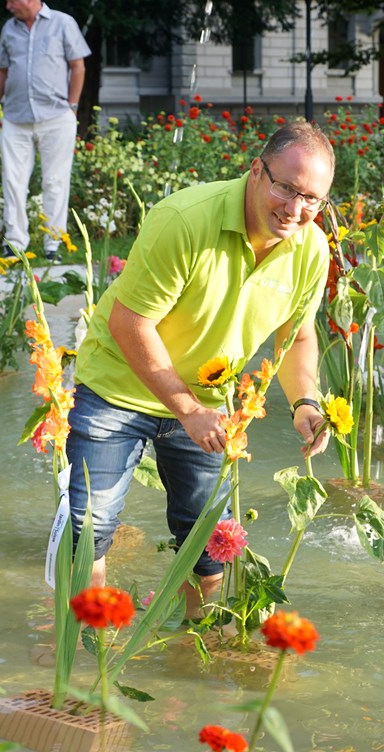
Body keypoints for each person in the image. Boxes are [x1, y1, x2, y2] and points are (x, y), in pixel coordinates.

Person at [66, 121, 334, 613]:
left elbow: (297, 336)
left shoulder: (312, 250)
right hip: (118, 387)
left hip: (207, 406)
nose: (295, 209)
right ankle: (80, 645)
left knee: (211, 545)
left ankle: (190, 644)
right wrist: (186, 409)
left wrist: (304, 402)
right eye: (286, 188)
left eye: (312, 199)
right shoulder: (185, 220)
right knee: (90, 531)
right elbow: (130, 323)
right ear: (256, 171)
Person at [0, 0, 90, 262]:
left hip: (56, 116)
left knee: (55, 181)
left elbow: (78, 66)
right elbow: (1, 70)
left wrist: (72, 106)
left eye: (11, 0)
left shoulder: (63, 23)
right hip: (15, 117)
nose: (8, 6)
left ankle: (53, 244)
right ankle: (15, 243)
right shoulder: (9, 28)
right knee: (13, 180)